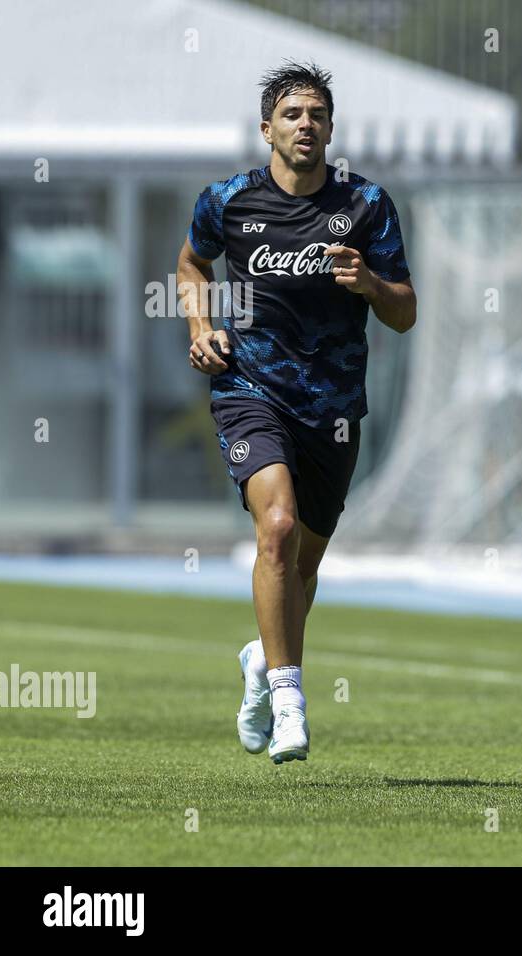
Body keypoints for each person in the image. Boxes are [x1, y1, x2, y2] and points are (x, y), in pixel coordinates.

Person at [176, 61, 416, 764]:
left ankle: (259, 659)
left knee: (302, 566)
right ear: (266, 129)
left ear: (331, 129)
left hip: (334, 411)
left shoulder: (368, 205)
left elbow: (405, 315)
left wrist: (371, 283)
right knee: (274, 530)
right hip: (249, 388)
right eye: (291, 113)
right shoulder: (227, 202)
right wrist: (200, 329)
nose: (304, 124)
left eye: (316, 114)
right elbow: (191, 266)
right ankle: (288, 701)